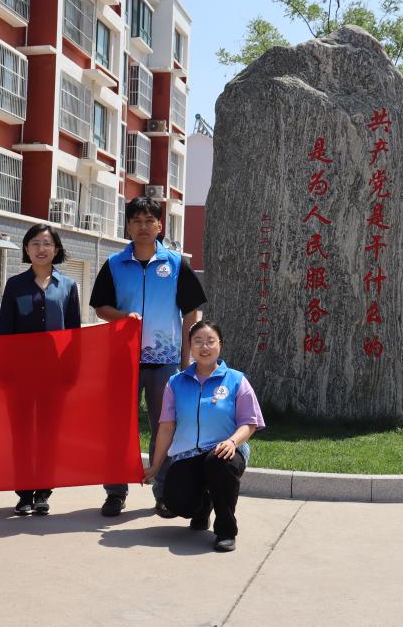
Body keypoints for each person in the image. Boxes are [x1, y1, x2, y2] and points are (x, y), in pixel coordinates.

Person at [90, 196, 206, 517]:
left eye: (149, 221)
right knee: (118, 428)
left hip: (165, 361)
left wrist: (186, 360)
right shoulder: (114, 264)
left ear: (159, 225)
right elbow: (100, 307)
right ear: (127, 226)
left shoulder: (176, 264)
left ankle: (164, 492)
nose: (143, 227)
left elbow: (191, 313)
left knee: (164, 426)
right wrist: (123, 317)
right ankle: (115, 492)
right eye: (136, 221)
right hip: (123, 361)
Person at [143, 321, 265, 552]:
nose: (204, 347)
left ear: (221, 345)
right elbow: (166, 428)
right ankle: (202, 506)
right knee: (175, 501)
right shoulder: (176, 382)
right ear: (190, 346)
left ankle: (226, 530)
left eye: (210, 341)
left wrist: (232, 442)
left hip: (225, 451)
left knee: (219, 463)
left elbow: (249, 423)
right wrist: (156, 466)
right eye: (197, 341)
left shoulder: (236, 380)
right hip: (188, 454)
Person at [0, 223, 81, 516]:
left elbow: (74, 334)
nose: (41, 249)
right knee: (21, 433)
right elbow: (4, 331)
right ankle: (23, 494)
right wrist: (3, 371)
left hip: (54, 376)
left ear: (56, 249)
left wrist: (72, 371)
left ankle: (44, 492)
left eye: (47, 243)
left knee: (48, 433)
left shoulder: (68, 286)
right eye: (35, 243)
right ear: (26, 248)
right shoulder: (15, 285)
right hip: (19, 375)